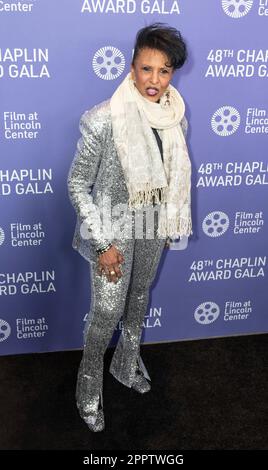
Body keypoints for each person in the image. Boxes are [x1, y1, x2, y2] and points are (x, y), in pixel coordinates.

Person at [67, 22, 193, 432]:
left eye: (164, 70)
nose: (154, 80)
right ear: (132, 66)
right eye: (146, 69)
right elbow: (77, 184)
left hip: (152, 225)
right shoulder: (102, 118)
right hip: (112, 229)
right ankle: (87, 390)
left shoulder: (175, 116)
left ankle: (125, 365)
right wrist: (103, 243)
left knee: (139, 296)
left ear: (171, 73)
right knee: (106, 312)